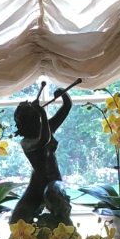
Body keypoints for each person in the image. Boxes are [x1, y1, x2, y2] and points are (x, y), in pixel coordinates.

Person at [9, 79, 80, 225]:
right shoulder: (26, 142)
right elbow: (44, 140)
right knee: (17, 219)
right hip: (37, 184)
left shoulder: (48, 127)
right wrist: (42, 113)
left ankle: (65, 231)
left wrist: (63, 95)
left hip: (54, 182)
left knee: (56, 202)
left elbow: (66, 108)